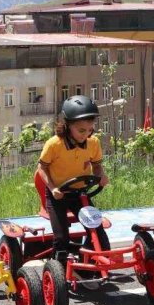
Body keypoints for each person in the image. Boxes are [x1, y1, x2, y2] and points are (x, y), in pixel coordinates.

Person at [36, 95, 109, 264]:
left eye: (90, 129)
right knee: (61, 237)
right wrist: (53, 188)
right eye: (81, 130)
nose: (86, 134)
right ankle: (57, 269)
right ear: (67, 125)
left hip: (79, 194)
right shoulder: (54, 144)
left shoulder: (93, 143)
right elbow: (42, 168)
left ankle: (90, 262)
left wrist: (101, 176)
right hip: (57, 195)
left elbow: (97, 166)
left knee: (97, 230)